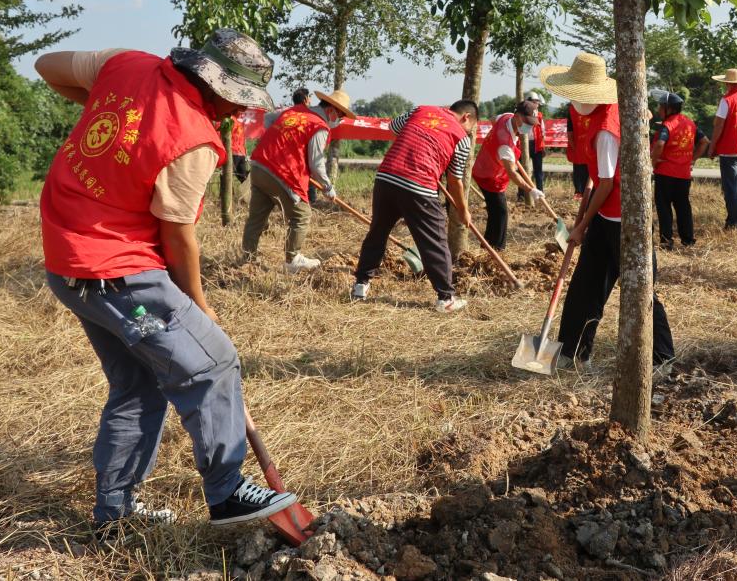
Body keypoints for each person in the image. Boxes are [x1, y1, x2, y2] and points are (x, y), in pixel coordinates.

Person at [34, 30, 299, 532]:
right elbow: (177, 237)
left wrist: (104, 108)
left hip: (67, 259)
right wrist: (198, 304)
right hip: (116, 269)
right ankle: (226, 491)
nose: (240, 110)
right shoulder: (193, 139)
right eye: (238, 98)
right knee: (213, 362)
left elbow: (47, 65)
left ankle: (114, 516)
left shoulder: (123, 63)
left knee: (139, 385)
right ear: (215, 86)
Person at [542, 53, 675, 370]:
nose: (572, 98)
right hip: (605, 212)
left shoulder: (606, 126)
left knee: (641, 291)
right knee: (585, 284)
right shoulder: (578, 111)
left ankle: (662, 360)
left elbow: (606, 182)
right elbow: (598, 172)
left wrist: (581, 225)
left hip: (625, 219)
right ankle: (573, 352)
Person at [350, 100, 478, 312]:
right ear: (466, 117)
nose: (468, 131)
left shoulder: (422, 110)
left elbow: (393, 127)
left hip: (386, 177)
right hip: (419, 185)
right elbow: (455, 180)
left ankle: (360, 285)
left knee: (378, 233)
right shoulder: (462, 139)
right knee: (435, 241)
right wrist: (463, 211)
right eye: (470, 127)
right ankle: (446, 298)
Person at [242, 90, 356, 271]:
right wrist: (327, 187)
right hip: (283, 172)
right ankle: (292, 259)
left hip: (259, 166)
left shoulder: (294, 111)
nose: (339, 121)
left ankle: (247, 260)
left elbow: (268, 119)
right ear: (331, 110)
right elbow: (316, 163)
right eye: (340, 116)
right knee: (302, 215)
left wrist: (281, 141)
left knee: (256, 218)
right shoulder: (319, 126)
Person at [472, 103, 545, 250]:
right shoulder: (505, 145)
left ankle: (487, 247)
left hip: (485, 166)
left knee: (495, 211)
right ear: (517, 117)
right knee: (501, 212)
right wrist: (530, 190)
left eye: (531, 123)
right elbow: (512, 173)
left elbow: (493, 119)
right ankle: (497, 249)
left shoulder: (506, 117)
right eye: (527, 123)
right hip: (488, 176)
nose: (529, 127)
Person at [652, 91, 709, 247]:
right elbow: (704, 141)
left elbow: (659, 144)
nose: (658, 110)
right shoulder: (689, 123)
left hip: (665, 173)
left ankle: (666, 240)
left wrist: (653, 161)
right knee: (683, 206)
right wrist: (693, 159)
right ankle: (688, 239)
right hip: (683, 174)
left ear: (668, 108)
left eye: (660, 107)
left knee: (664, 207)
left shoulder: (667, 125)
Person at [707, 68, 737, 230]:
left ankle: (735, 223)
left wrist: (712, 146)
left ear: (727, 83)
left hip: (729, 150)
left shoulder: (726, 100)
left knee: (730, 189)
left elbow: (719, 125)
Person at [565, 103, 590, 199]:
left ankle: (580, 194)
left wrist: (575, 148)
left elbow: (570, 133)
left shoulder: (572, 110)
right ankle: (585, 195)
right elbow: (570, 133)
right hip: (590, 148)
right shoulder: (595, 107)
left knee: (580, 173)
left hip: (579, 149)